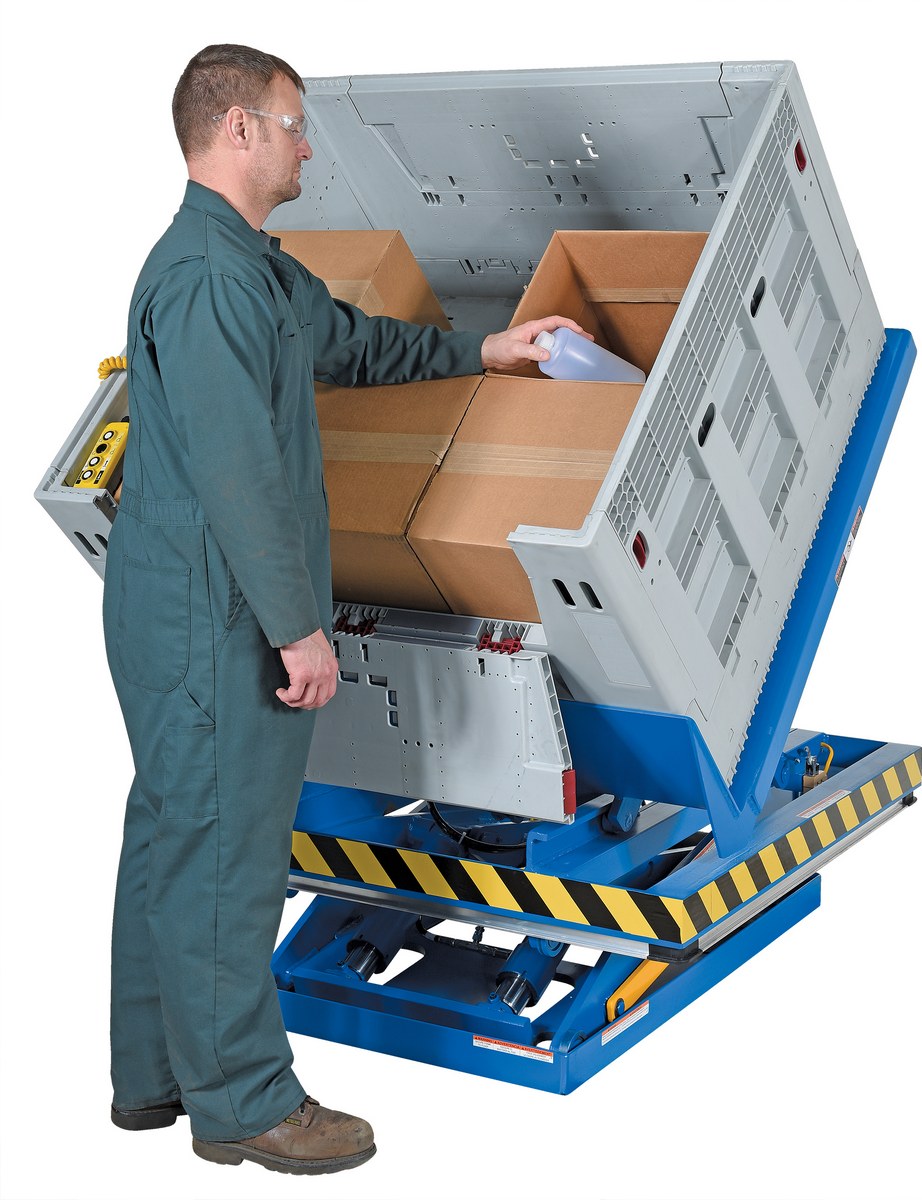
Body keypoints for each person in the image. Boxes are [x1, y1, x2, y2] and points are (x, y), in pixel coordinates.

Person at [103, 43, 587, 1177]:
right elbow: (237, 473)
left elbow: (354, 345)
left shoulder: (251, 271)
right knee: (224, 851)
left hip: (191, 603)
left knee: (174, 837)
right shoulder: (211, 279)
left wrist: (487, 347)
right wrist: (297, 627)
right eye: (293, 123)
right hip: (211, 615)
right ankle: (243, 1104)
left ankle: (158, 1075)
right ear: (236, 129)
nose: (307, 147)